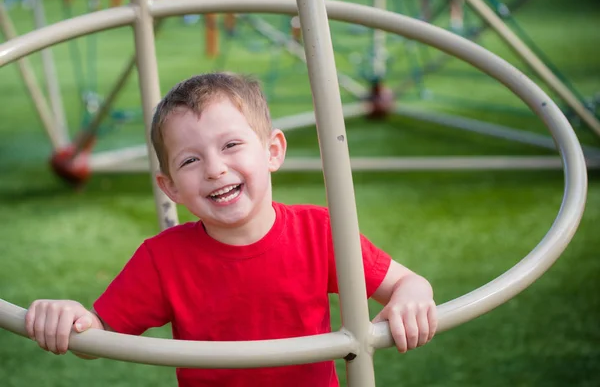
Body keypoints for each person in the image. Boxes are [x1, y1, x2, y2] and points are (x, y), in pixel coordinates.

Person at [25, 72, 437, 386]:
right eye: (190, 161)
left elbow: (406, 282)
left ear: (272, 151)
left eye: (231, 145)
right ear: (170, 187)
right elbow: (100, 336)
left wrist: (413, 295)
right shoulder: (162, 259)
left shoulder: (319, 231)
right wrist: (72, 319)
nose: (215, 168)